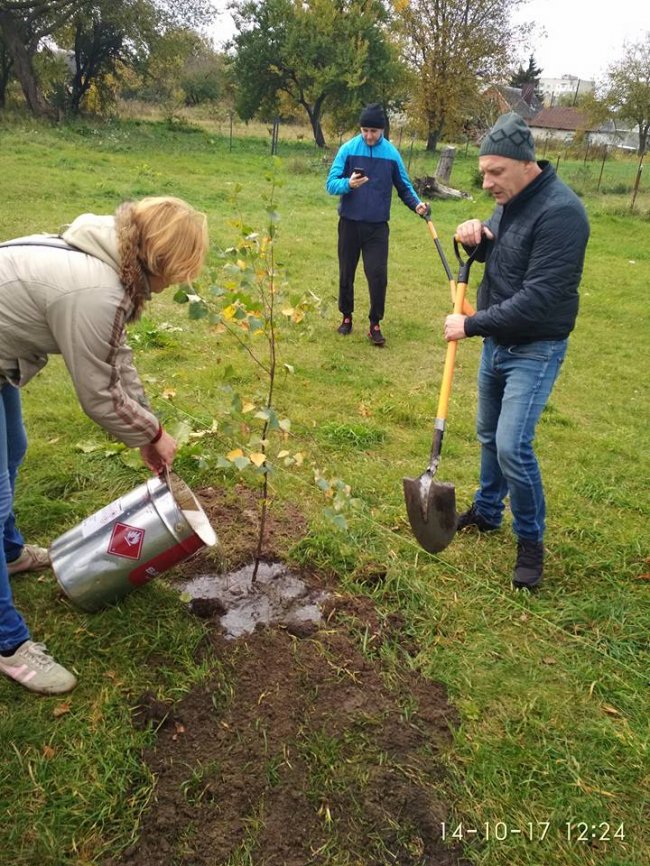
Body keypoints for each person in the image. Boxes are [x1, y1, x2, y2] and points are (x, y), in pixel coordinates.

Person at [0, 196, 209, 694]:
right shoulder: (97, 290)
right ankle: (8, 644)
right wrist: (153, 434)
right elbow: (98, 394)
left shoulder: (110, 258)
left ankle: (9, 553)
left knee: (14, 450)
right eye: (179, 272)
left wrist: (148, 428)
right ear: (162, 259)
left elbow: (119, 356)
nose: (176, 283)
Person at [444, 112, 589, 589]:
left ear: (527, 165)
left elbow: (539, 297)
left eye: (495, 172)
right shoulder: (510, 199)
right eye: (483, 172)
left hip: (535, 345)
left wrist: (471, 323)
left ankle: (530, 543)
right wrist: (477, 238)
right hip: (498, 342)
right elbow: (503, 251)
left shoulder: (562, 213)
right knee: (489, 435)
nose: (486, 182)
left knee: (512, 445)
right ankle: (488, 512)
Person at [326, 103, 428, 346]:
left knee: (377, 275)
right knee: (346, 272)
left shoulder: (391, 154)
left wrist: (417, 205)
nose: (369, 136)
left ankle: (374, 323)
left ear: (382, 130)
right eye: (365, 130)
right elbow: (331, 183)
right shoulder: (348, 149)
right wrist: (348, 185)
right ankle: (347, 317)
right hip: (349, 223)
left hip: (377, 227)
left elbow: (404, 186)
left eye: (374, 131)